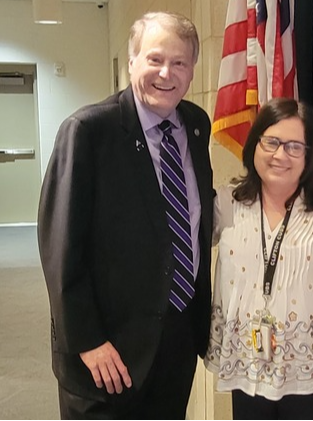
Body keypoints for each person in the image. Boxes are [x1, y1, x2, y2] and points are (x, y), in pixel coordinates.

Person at [37, 12, 213, 420]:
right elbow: (60, 247)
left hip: (176, 337)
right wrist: (87, 340)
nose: (166, 73)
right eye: (154, 59)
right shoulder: (88, 131)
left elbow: (186, 214)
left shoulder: (196, 125)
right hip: (107, 349)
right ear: (132, 61)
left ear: (191, 71)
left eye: (179, 62)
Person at [205, 98, 313, 420]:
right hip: (248, 363)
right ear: (255, 144)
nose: (281, 155)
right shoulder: (227, 203)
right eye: (272, 142)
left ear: (309, 155)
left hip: (306, 371)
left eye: (295, 146)